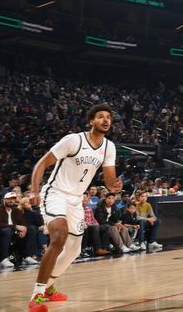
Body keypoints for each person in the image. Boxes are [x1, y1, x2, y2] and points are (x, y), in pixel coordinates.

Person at [27, 104, 121, 312]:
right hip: (55, 194)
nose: (105, 120)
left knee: (73, 250)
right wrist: (34, 191)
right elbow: (41, 164)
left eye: (108, 117)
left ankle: (49, 287)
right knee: (59, 237)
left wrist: (114, 184)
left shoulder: (109, 147)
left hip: (76, 200)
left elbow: (108, 180)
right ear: (91, 121)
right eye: (100, 117)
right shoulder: (73, 140)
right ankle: (37, 295)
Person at [0, 191, 38, 269]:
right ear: (4, 200)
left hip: (13, 233)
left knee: (31, 229)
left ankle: (27, 256)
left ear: (15, 201)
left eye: (13, 199)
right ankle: (3, 259)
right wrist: (15, 227)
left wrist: (24, 229)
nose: (10, 201)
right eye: (8, 199)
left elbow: (23, 223)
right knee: (6, 230)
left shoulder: (17, 211)